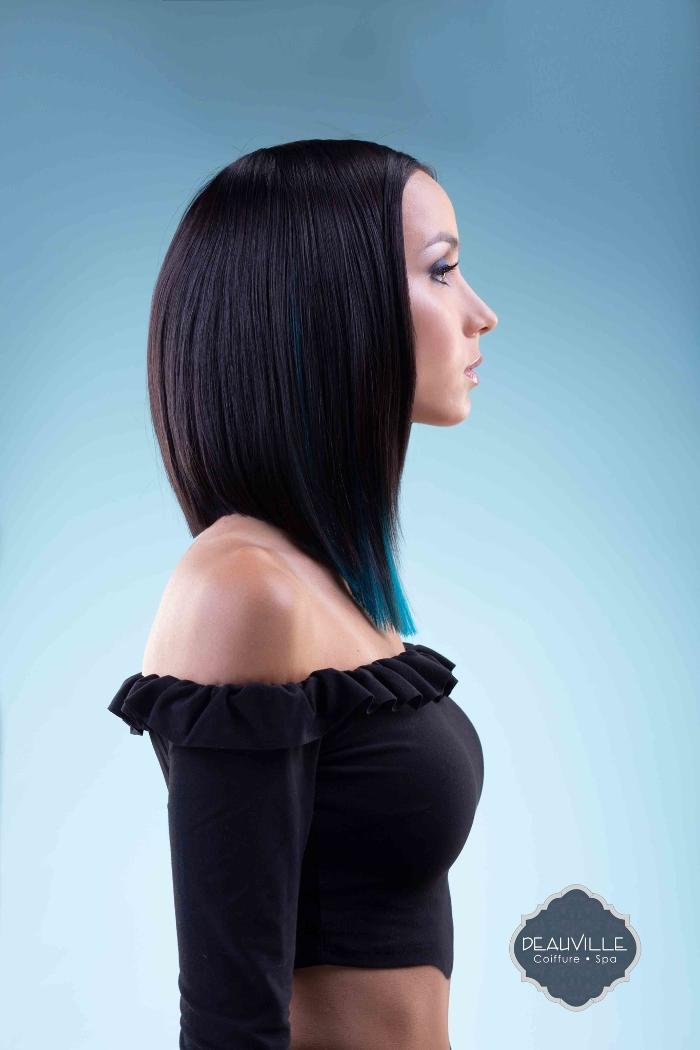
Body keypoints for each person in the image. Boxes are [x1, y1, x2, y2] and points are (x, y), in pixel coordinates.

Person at [108, 138, 498, 1050]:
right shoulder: (243, 587)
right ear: (331, 307)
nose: (480, 313)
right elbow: (230, 1026)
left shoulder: (324, 590)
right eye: (441, 271)